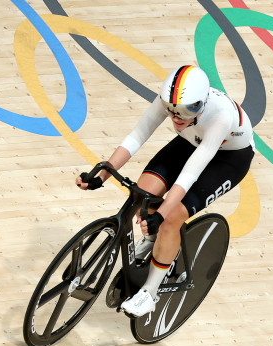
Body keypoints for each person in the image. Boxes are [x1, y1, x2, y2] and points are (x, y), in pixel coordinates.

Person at [75, 65, 254, 317]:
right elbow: (138, 135)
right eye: (171, 111)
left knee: (171, 217)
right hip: (190, 142)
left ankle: (149, 292)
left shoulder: (221, 116)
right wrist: (103, 173)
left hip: (227, 159)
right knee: (141, 193)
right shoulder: (174, 101)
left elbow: (191, 173)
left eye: (186, 111)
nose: (177, 117)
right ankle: (151, 240)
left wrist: (163, 213)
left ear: (201, 104)